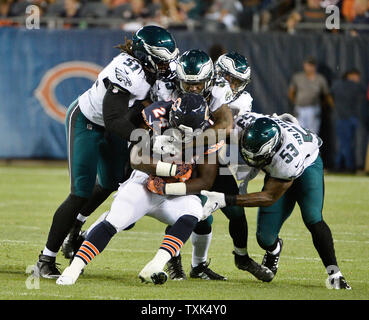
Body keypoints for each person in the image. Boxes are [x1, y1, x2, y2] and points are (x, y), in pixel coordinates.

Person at [33, 25, 179, 279]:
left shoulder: (159, 71)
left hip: (116, 125)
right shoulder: (126, 71)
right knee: (80, 192)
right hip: (87, 122)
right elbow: (113, 119)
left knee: (112, 182)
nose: (166, 66)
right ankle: (46, 259)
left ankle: (77, 226)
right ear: (146, 56)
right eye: (160, 61)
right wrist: (150, 140)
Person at [55, 93, 220, 285]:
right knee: (115, 220)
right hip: (145, 182)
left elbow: (206, 181)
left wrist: (170, 187)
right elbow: (136, 159)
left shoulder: (211, 133)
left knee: (194, 211)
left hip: (177, 191)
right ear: (172, 117)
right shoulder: (157, 115)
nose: (183, 135)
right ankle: (74, 268)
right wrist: (170, 169)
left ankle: (156, 265)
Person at [151, 50, 273, 282]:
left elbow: (225, 126)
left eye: (199, 83)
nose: (194, 88)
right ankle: (175, 261)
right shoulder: (167, 86)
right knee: (190, 213)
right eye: (189, 83)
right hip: (177, 155)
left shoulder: (222, 90)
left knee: (235, 210)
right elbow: (155, 120)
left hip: (209, 156)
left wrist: (192, 143)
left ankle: (240, 258)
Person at [201, 113, 352, 290]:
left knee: (312, 217)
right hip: (277, 164)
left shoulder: (287, 159)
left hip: (307, 166)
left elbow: (268, 197)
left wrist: (226, 199)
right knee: (265, 239)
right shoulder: (244, 124)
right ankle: (275, 249)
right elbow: (227, 118)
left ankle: (335, 274)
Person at [331, 69, 366, 172]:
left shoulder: (337, 85)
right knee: (347, 143)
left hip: (342, 117)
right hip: (351, 118)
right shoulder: (357, 86)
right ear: (350, 75)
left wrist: (335, 107)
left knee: (344, 143)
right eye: (357, 76)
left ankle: (339, 165)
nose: (358, 79)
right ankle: (349, 166)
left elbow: (330, 96)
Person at [288, 56, 334, 135]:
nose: (310, 67)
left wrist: (331, 105)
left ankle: (312, 147)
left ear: (315, 66)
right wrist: (296, 102)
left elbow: (326, 94)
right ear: (304, 65)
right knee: (299, 131)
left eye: (312, 65)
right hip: (300, 109)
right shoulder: (298, 77)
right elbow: (291, 92)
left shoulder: (320, 78)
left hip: (314, 108)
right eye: (308, 65)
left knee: (313, 133)